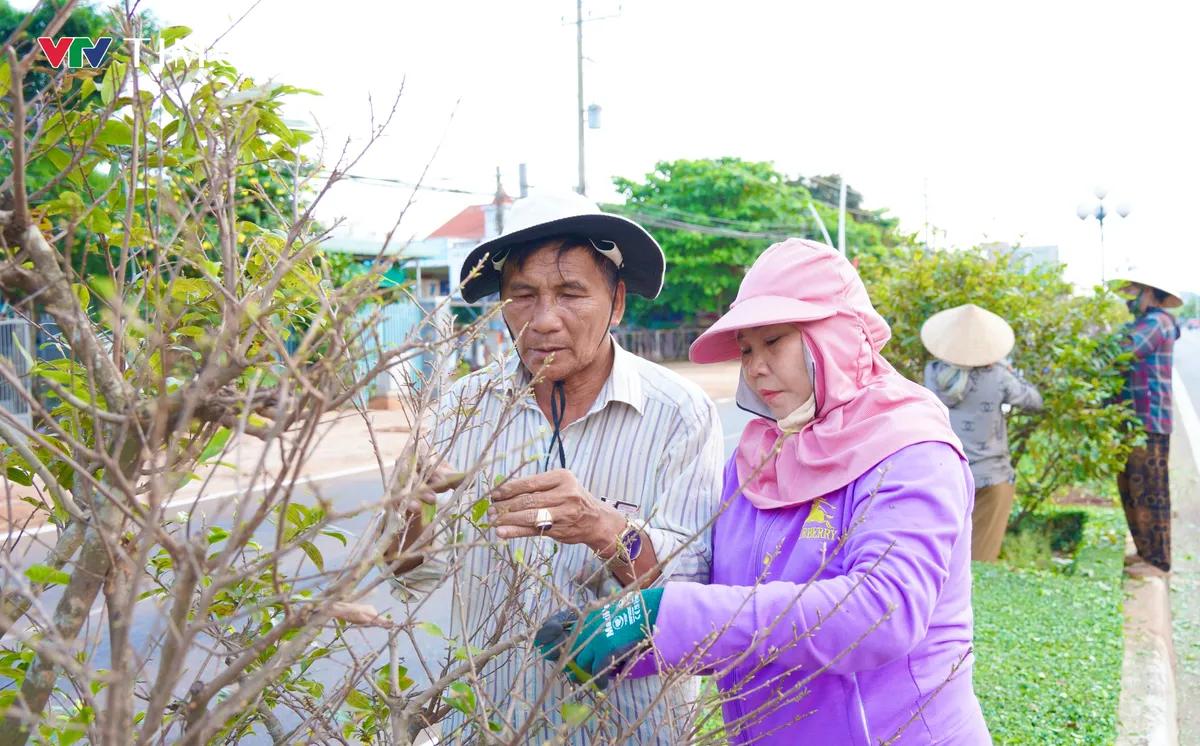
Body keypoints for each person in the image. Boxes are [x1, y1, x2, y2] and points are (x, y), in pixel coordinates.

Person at [537, 239, 991, 744]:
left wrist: (660, 617)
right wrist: (621, 643)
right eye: (747, 350)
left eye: (774, 341)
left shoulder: (910, 448)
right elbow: (727, 605)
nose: (754, 367)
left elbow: (882, 613)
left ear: (835, 338)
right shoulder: (761, 457)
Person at [386, 191, 724, 743]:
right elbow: (406, 572)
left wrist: (602, 528)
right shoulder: (458, 409)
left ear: (616, 303)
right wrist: (409, 506)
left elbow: (693, 592)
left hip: (633, 727)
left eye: (571, 293)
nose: (544, 321)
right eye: (523, 296)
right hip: (494, 724)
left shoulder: (680, 413)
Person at [920, 303, 1043, 562]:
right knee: (980, 563)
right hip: (990, 477)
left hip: (945, 474)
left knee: (947, 561)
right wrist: (1012, 372)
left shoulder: (932, 372)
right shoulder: (998, 375)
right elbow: (1035, 402)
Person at [1113, 271, 1182, 579]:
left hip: (1148, 421)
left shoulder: (1157, 322)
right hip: (1133, 420)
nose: (1130, 299)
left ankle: (1158, 562)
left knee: (1150, 490)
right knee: (1132, 488)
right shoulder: (1141, 324)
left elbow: (1124, 351)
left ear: (1150, 293)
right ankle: (1145, 552)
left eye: (1134, 292)